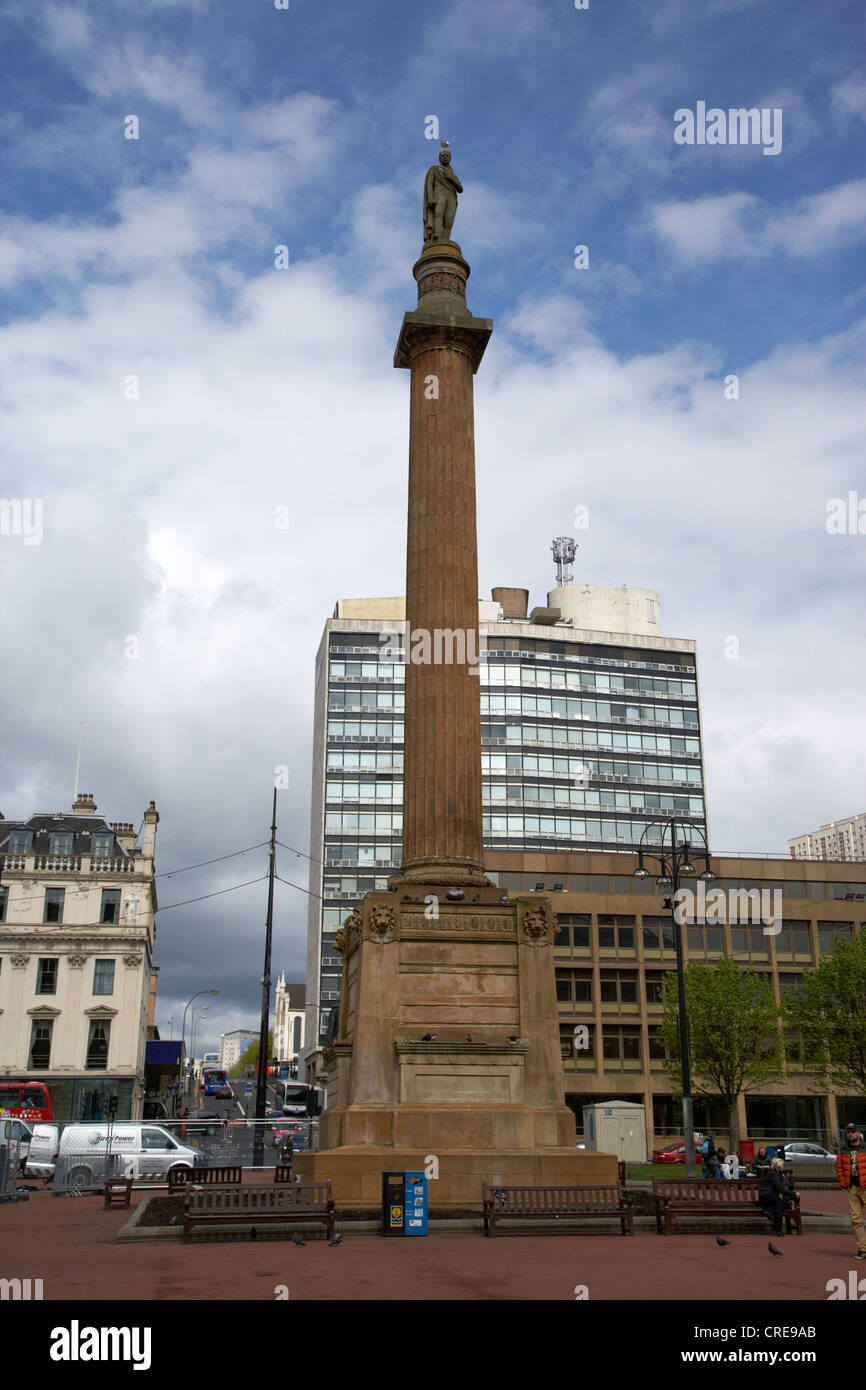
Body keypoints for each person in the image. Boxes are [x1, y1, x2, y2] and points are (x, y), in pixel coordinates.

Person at [836, 1122, 866, 1260]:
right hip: (853, 1188)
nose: (850, 1134)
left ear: (858, 1133)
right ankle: (863, 1249)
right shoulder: (843, 1149)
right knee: (856, 1220)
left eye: (852, 1131)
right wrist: (844, 1183)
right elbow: (839, 1167)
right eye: (848, 1132)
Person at [758, 1157, 798, 1236]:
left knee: (786, 1203)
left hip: (771, 1197)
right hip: (766, 1195)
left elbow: (789, 1186)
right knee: (779, 1203)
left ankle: (769, 1211)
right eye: (782, 1165)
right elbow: (779, 1188)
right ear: (778, 1166)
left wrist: (783, 1179)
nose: (783, 1166)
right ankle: (777, 1229)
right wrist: (794, 1194)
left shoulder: (778, 1174)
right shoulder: (773, 1174)